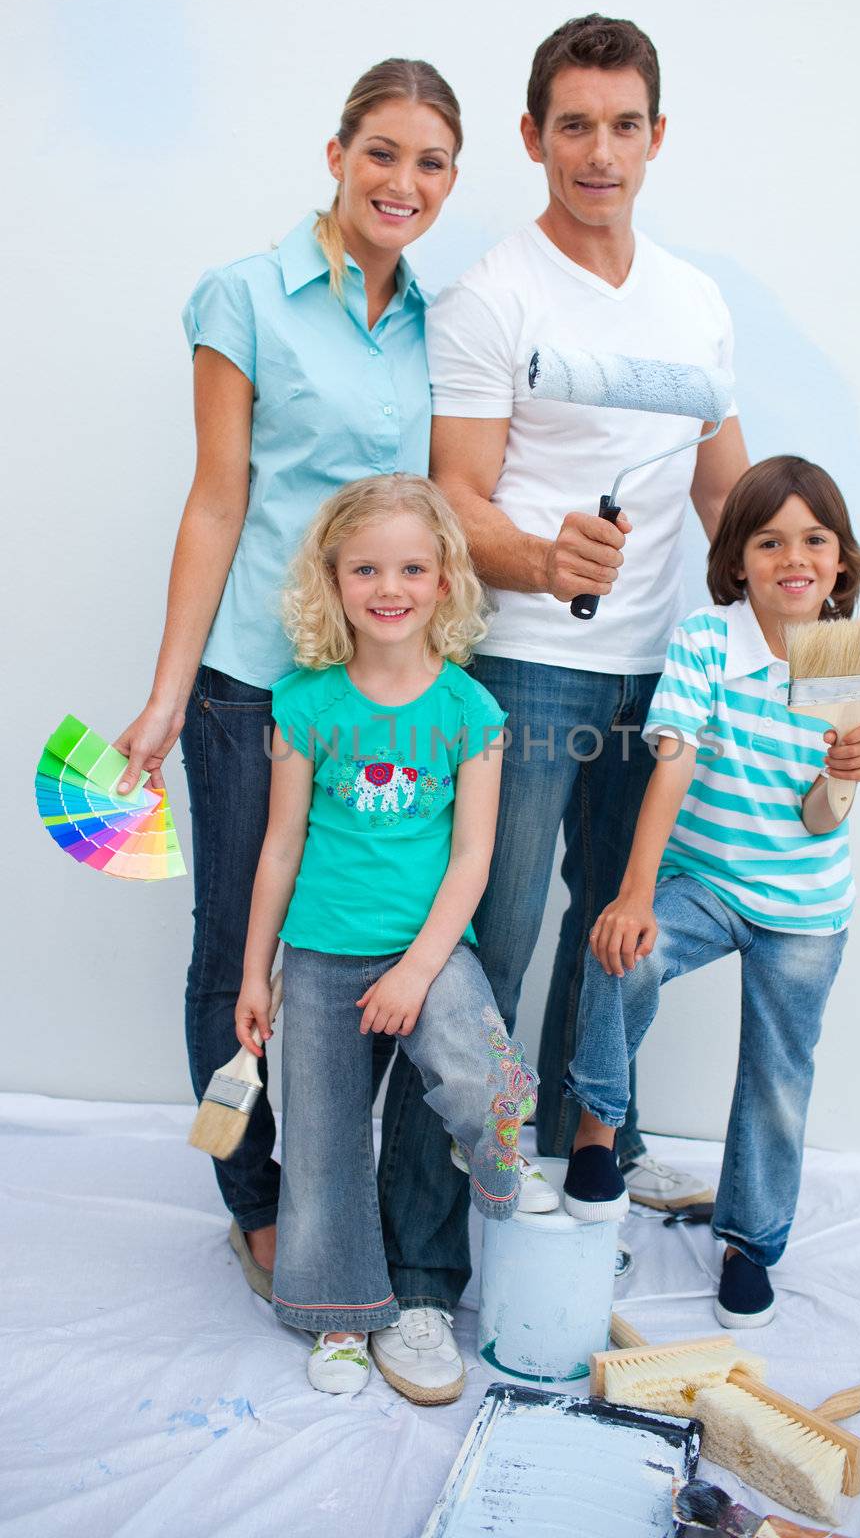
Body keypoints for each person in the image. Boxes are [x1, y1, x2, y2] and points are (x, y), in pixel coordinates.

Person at [374, 13, 750, 1380]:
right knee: (478, 954)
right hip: (525, 672)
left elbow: (726, 491)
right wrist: (540, 555)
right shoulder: (493, 296)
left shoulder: (696, 303)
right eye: (574, 125)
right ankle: (421, 1273)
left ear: (658, 136)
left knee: (614, 941)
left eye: (625, 124)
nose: (601, 152)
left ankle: (594, 1161)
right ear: (534, 139)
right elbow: (452, 497)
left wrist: (808, 599)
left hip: (657, 680)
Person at [113, 59, 463, 1300]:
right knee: (239, 948)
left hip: (388, 687)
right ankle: (253, 1197)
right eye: (381, 152)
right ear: (335, 155)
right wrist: (168, 691)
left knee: (366, 933)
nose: (402, 182)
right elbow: (218, 500)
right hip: (256, 686)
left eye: (429, 162)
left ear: (451, 178)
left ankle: (342, 1183)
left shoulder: (441, 320)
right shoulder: (245, 295)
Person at [233, 474, 536, 1398]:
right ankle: (337, 1315)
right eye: (365, 568)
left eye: (411, 566)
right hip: (322, 955)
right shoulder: (307, 703)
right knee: (322, 1142)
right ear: (333, 581)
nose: (389, 586)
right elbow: (281, 848)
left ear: (445, 579)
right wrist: (259, 973)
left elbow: (474, 859)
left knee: (488, 1078)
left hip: (431, 950)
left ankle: (473, 1152)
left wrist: (416, 970)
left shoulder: (471, 712)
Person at [560, 455, 860, 1328]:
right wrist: (633, 893)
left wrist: (844, 775)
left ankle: (750, 1242)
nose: (794, 558)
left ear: (840, 561)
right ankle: (598, 1132)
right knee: (623, 952)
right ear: (737, 560)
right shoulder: (706, 639)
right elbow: (675, 759)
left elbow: (820, 820)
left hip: (807, 909)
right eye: (769, 541)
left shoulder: (847, 659)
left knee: (779, 1077)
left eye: (815, 539)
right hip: (705, 880)